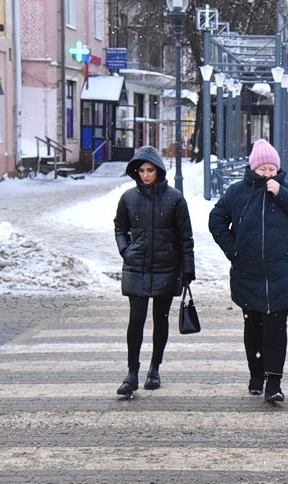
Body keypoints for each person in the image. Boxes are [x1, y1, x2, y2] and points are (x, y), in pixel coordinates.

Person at [208, 139, 288, 403]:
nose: (267, 174)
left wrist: (282, 193)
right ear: (252, 168)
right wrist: (234, 250)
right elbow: (216, 220)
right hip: (248, 272)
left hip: (281, 272)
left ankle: (274, 382)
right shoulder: (237, 193)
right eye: (262, 169)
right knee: (253, 326)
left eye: (271, 168)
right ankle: (256, 374)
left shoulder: (286, 189)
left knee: (276, 328)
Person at [113, 145, 195, 397]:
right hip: (136, 267)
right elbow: (119, 226)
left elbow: (185, 237)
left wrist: (187, 269)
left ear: (158, 170)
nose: (145, 175)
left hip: (166, 268)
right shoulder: (129, 198)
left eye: (149, 170)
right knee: (136, 320)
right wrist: (126, 249)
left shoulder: (175, 199)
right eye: (141, 170)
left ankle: (154, 368)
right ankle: (132, 373)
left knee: (160, 320)